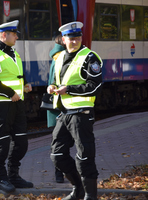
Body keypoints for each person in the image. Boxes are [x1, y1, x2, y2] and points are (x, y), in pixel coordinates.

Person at [47, 21, 103, 200]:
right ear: (63, 40)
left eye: (78, 37)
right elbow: (59, 81)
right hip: (64, 113)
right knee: (57, 154)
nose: (75, 41)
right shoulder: (60, 57)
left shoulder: (90, 57)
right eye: (71, 38)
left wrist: (68, 89)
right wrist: (52, 87)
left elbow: (95, 87)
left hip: (81, 114)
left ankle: (90, 196)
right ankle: (78, 189)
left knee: (84, 156)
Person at [0, 20, 33, 193]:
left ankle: (13, 176)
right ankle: (1, 178)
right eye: (14, 34)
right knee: (1, 143)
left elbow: (16, 76)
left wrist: (25, 85)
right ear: (4, 35)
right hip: (1, 104)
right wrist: (10, 93)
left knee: (21, 142)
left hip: (17, 103)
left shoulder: (14, 54)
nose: (17, 37)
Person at [48, 34, 66, 184]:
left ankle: (60, 173)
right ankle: (59, 174)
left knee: (59, 143)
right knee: (61, 143)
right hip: (61, 108)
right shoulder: (61, 57)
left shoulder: (56, 56)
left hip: (57, 108)